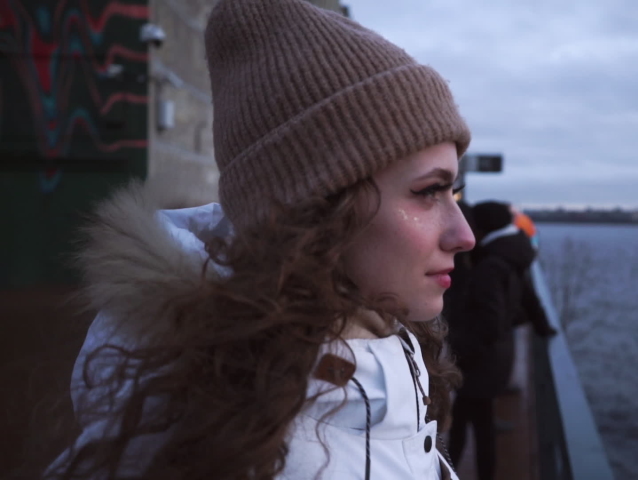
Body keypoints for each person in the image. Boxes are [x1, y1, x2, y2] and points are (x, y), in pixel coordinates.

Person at [45, 0, 475, 479]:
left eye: (453, 190)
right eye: (427, 192)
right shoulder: (222, 450)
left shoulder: (381, 350)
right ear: (316, 206)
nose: (465, 235)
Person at [446, 201, 553, 480]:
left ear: (482, 228)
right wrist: (544, 327)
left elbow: (488, 324)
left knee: (465, 426)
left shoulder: (489, 266)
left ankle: (448, 474)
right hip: (497, 357)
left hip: (480, 363)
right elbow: (527, 296)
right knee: (479, 424)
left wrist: (456, 355)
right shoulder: (511, 255)